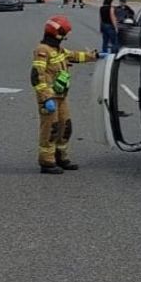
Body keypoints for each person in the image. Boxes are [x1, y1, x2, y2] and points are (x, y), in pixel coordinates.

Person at [32, 15, 99, 173]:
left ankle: (61, 156)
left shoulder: (58, 50)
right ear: (57, 34)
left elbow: (74, 56)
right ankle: (47, 162)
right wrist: (45, 97)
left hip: (61, 97)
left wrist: (94, 56)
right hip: (49, 98)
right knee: (51, 128)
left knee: (65, 127)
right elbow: (37, 76)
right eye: (64, 34)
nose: (66, 37)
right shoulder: (42, 51)